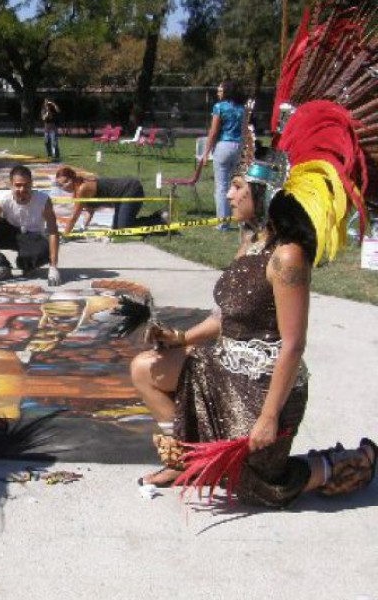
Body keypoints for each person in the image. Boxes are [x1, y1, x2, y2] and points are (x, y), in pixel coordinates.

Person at [130, 141, 376, 506]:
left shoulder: (287, 256)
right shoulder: (250, 242)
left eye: (238, 186)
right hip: (224, 369)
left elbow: (293, 344)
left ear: (265, 192)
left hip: (265, 388)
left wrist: (268, 416)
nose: (228, 194)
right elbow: (227, 314)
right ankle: (184, 461)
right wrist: (180, 337)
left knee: (246, 486)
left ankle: (343, 463)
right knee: (145, 368)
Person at [0, 165, 61, 286]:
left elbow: (53, 231)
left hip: (32, 237)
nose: (22, 189)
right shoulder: (3, 199)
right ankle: (1, 262)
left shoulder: (43, 200)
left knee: (42, 251)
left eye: (26, 185)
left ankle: (27, 264)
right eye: (18, 185)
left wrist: (53, 267)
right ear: (11, 185)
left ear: (31, 184)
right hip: (11, 233)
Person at [200, 79, 245, 231]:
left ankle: (222, 222)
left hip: (224, 146)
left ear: (226, 92)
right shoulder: (242, 108)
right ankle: (241, 219)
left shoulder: (219, 107)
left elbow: (213, 132)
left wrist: (206, 153)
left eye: (220, 90)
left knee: (221, 186)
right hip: (239, 147)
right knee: (237, 185)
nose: (218, 93)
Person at [54, 166, 148, 236]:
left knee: (124, 229)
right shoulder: (78, 190)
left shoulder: (83, 189)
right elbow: (90, 210)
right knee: (117, 231)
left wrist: (65, 235)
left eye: (66, 182)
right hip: (120, 198)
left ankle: (158, 219)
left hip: (130, 189)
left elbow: (74, 216)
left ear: (73, 179)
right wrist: (83, 227)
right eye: (60, 185)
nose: (64, 187)